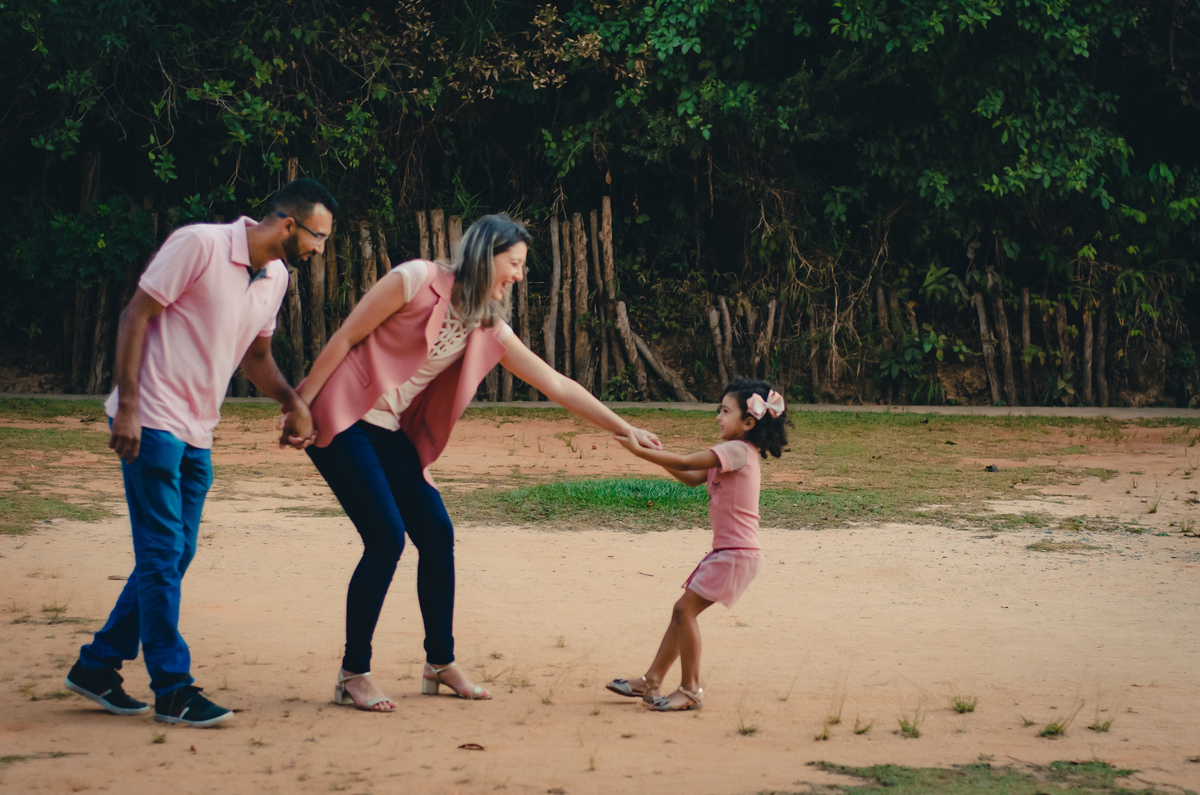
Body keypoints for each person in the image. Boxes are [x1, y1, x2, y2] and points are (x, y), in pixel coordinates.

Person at [290, 213, 662, 713]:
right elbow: (345, 337)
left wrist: (624, 428)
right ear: (487, 255)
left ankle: (439, 663)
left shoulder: (487, 326)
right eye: (515, 263)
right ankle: (353, 673)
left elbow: (556, 383)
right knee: (386, 538)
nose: (519, 275)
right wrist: (300, 404)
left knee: (435, 533)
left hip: (387, 430)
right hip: (342, 415)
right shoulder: (415, 278)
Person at [64, 179, 336, 727]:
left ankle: (97, 665)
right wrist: (129, 407)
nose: (319, 249)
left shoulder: (276, 276)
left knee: (175, 553)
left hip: (198, 431)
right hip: (152, 420)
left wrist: (292, 401)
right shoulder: (200, 244)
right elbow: (135, 316)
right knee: (163, 553)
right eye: (318, 236)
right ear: (288, 223)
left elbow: (256, 355)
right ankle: (173, 689)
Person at [605, 379, 788, 711]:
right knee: (681, 614)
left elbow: (688, 463)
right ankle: (651, 680)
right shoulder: (733, 454)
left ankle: (690, 689)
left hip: (736, 554)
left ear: (748, 422)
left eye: (725, 411)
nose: (718, 416)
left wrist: (639, 450)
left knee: (683, 611)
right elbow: (691, 477)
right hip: (728, 553)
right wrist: (655, 453)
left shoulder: (738, 451)